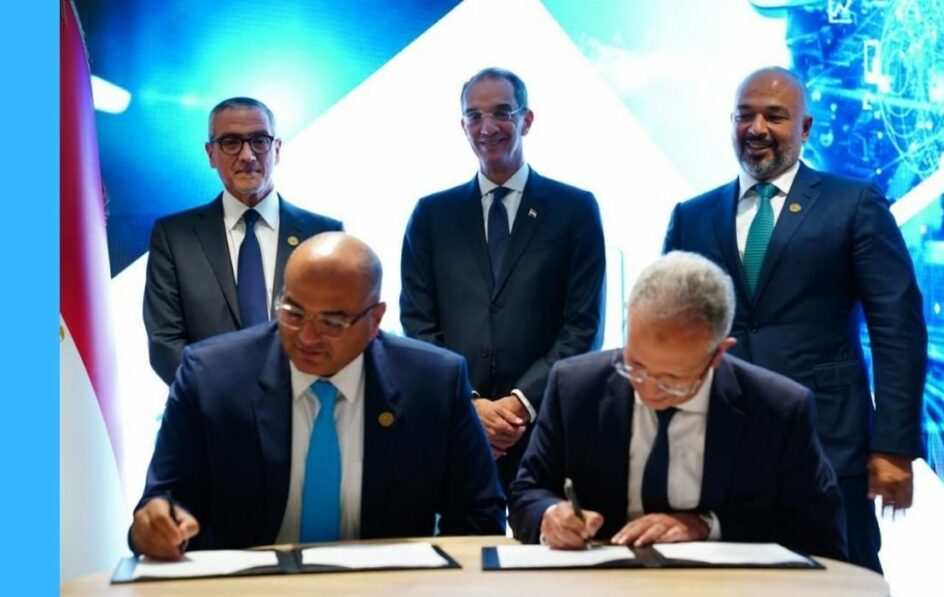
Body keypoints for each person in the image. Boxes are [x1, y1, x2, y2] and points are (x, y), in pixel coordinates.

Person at [661, 66, 926, 572]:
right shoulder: (691, 216)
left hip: (830, 447)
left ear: (804, 128)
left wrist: (894, 445)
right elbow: (666, 334)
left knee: (843, 582)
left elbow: (897, 329)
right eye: (744, 115)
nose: (756, 128)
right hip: (719, 457)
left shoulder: (854, 204)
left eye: (775, 116)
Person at [130, 232, 505, 559]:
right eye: (293, 312)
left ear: (375, 320)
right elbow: (163, 502)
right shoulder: (211, 376)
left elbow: (479, 516)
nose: (307, 337)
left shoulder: (433, 382)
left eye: (332, 322)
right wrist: (155, 527)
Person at [509, 252, 846, 560]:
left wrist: (708, 526)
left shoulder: (776, 409)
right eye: (635, 365)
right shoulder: (575, 387)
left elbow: (817, 534)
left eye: (672, 379)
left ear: (718, 354)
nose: (648, 390)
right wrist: (550, 515)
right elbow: (527, 492)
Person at [400, 68, 606, 491]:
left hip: (546, 429)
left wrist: (519, 405)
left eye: (501, 113)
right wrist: (470, 404)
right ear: (463, 125)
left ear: (526, 120)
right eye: (474, 116)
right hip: (457, 428)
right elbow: (418, 325)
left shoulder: (575, 209)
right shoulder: (431, 216)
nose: (487, 127)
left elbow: (583, 326)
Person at [143, 96, 343, 385]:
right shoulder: (174, 238)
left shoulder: (324, 235)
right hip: (210, 409)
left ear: (277, 149)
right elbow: (165, 342)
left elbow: (340, 332)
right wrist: (223, 402)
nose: (248, 155)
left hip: (307, 406)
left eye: (259, 140)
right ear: (211, 154)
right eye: (231, 142)